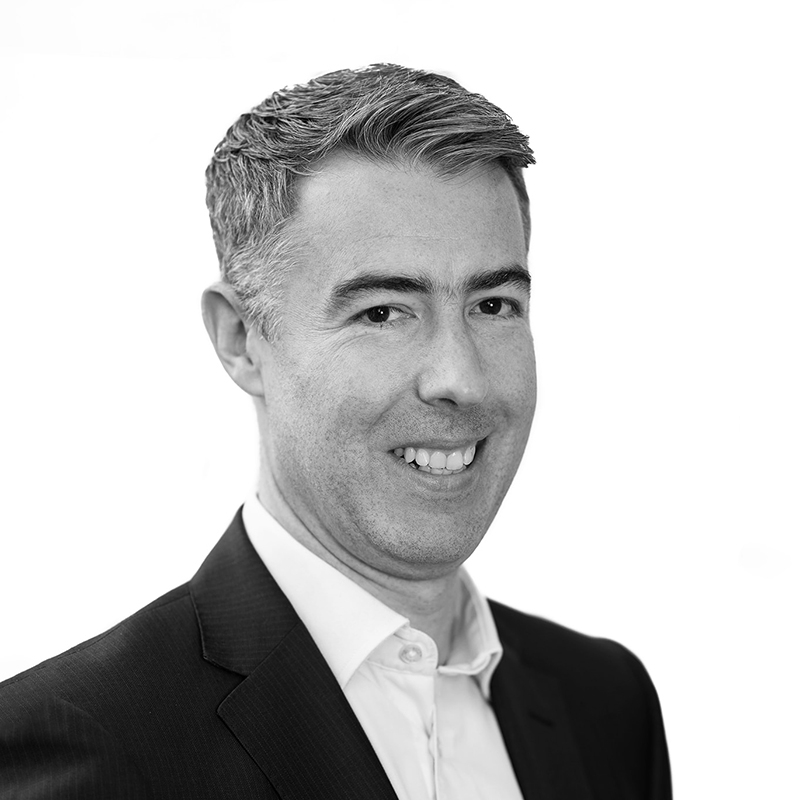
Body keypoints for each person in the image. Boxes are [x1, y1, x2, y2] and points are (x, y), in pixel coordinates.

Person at [0, 64, 671, 799]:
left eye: (493, 305)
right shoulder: (86, 747)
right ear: (241, 340)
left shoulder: (605, 703)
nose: (461, 379)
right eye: (383, 312)